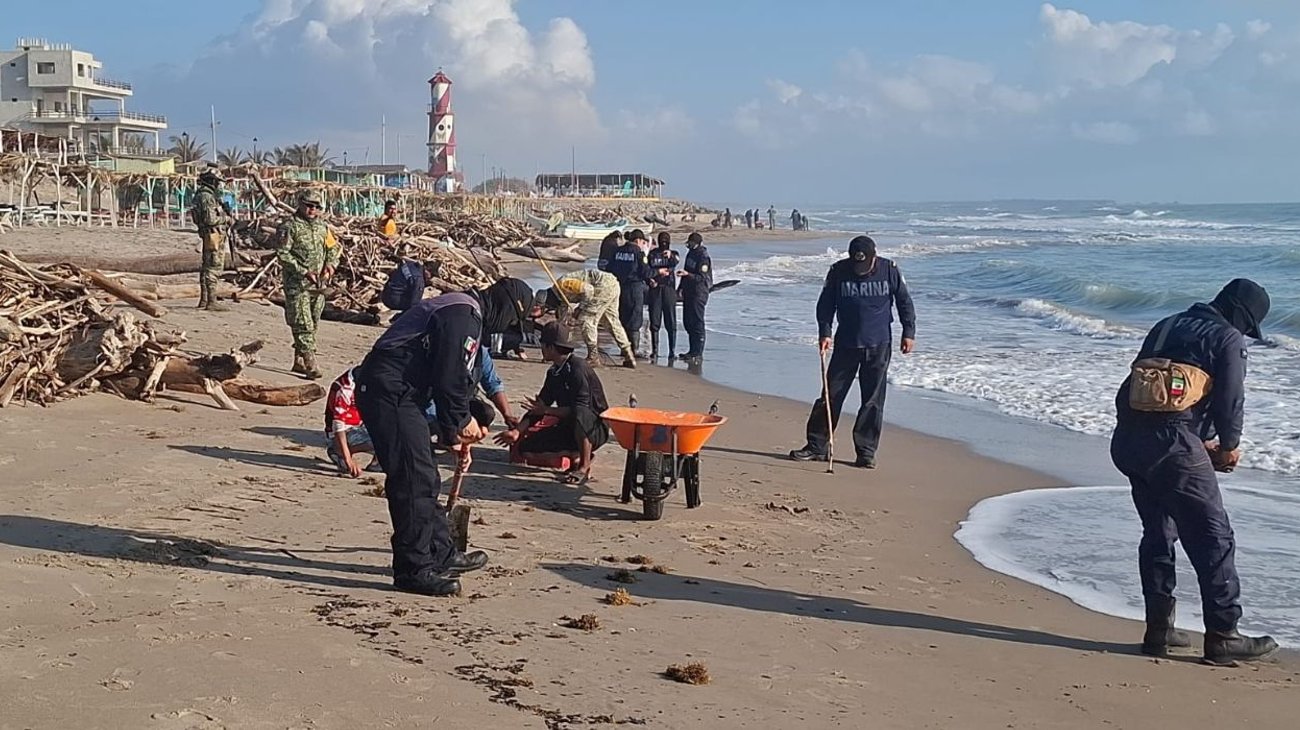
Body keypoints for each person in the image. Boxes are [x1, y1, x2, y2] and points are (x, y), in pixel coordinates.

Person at [1109, 279, 1278, 665]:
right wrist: (1228, 447)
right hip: (1175, 447)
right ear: (1239, 315)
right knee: (1214, 537)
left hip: (1130, 440)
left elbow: (1144, 386)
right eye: (1248, 328)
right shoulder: (1227, 338)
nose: (1245, 336)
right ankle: (1223, 635)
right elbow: (1230, 400)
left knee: (1158, 532)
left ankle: (1158, 630)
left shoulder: (1167, 324)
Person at [354, 291, 503, 597]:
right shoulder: (464, 315)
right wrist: (461, 421)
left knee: (425, 474)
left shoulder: (460, 310)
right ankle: (414, 568)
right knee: (413, 477)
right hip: (390, 390)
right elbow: (451, 375)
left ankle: (441, 551)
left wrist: (453, 434)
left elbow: (449, 376)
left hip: (402, 392)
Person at [790, 235, 915, 469]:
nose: (860, 269)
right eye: (856, 264)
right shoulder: (838, 271)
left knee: (872, 401)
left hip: (878, 345)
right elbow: (825, 303)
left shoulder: (889, 270)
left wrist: (909, 331)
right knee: (830, 396)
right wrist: (824, 332)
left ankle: (866, 452)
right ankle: (817, 446)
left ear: (874, 256)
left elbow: (904, 302)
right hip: (846, 343)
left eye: (865, 264)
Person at [325, 344, 515, 478]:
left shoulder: (481, 355)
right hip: (349, 429)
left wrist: (505, 417)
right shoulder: (347, 386)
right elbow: (339, 426)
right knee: (396, 434)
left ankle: (382, 458)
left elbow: (492, 385)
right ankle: (344, 451)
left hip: (450, 404)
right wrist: (349, 460)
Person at [494, 322, 610, 485]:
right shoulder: (554, 372)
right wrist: (518, 431)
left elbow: (580, 408)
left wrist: (547, 410)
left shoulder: (578, 368)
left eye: (543, 345)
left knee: (579, 413)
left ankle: (583, 467)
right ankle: (577, 455)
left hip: (594, 429)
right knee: (527, 450)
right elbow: (540, 405)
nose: (541, 349)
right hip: (568, 428)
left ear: (551, 347)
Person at [276, 191, 339, 379]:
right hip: (298, 284)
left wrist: (331, 265)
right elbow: (283, 254)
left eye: (317, 207)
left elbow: (333, 248)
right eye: (309, 205)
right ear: (300, 204)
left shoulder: (322, 227)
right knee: (302, 322)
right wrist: (303, 271)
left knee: (313, 321)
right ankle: (310, 362)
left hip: (318, 285)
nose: (313, 210)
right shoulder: (289, 226)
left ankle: (299, 360)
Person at [534, 268, 636, 369]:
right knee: (611, 322)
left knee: (587, 320)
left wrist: (580, 308)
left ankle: (593, 356)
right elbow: (562, 326)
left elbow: (589, 290)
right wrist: (553, 352)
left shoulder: (563, 284)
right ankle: (629, 355)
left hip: (603, 285)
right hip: (611, 285)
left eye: (546, 307)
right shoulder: (561, 302)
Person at [191, 168, 232, 311]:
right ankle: (211, 301)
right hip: (213, 234)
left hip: (209, 234)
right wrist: (226, 218)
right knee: (213, 267)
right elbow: (210, 219)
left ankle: (204, 299)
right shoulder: (207, 197)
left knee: (206, 266)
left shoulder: (201, 195)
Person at [607, 228, 652, 357]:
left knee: (623, 317)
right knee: (634, 319)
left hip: (619, 287)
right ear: (638, 240)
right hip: (634, 287)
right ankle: (634, 349)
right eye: (643, 242)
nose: (643, 245)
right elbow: (645, 272)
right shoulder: (638, 253)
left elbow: (609, 268)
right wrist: (657, 273)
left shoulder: (618, 251)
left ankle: (624, 348)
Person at [677, 232, 712, 364]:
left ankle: (698, 353)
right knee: (688, 322)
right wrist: (680, 288)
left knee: (697, 322)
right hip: (688, 291)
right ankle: (691, 351)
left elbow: (702, 277)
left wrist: (688, 274)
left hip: (699, 293)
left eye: (691, 243)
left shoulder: (703, 257)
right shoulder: (690, 253)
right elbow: (686, 271)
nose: (689, 244)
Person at [646, 231, 680, 361]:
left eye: (666, 241)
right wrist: (650, 281)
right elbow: (646, 271)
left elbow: (676, 261)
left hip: (669, 290)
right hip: (655, 290)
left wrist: (670, 255)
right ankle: (655, 351)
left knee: (671, 321)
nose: (664, 243)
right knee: (655, 321)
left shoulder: (674, 254)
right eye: (662, 241)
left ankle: (672, 351)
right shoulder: (652, 255)